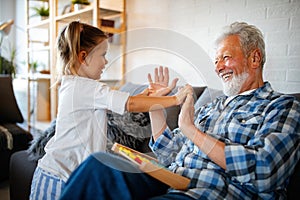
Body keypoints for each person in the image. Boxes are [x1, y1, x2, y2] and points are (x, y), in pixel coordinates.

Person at [59, 22, 300, 199]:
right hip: (170, 180)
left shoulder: (282, 107)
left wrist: (191, 130)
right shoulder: (213, 107)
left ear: (255, 58)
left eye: (226, 57)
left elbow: (265, 170)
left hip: (206, 192)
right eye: (216, 61)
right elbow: (168, 151)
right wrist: (155, 106)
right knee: (99, 165)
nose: (219, 67)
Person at [29, 21, 192, 200]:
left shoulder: (80, 87)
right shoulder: (83, 87)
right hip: (56, 175)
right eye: (103, 55)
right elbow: (130, 104)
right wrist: (174, 99)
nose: (106, 61)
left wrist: (148, 95)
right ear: (83, 57)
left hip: (70, 174)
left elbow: (123, 104)